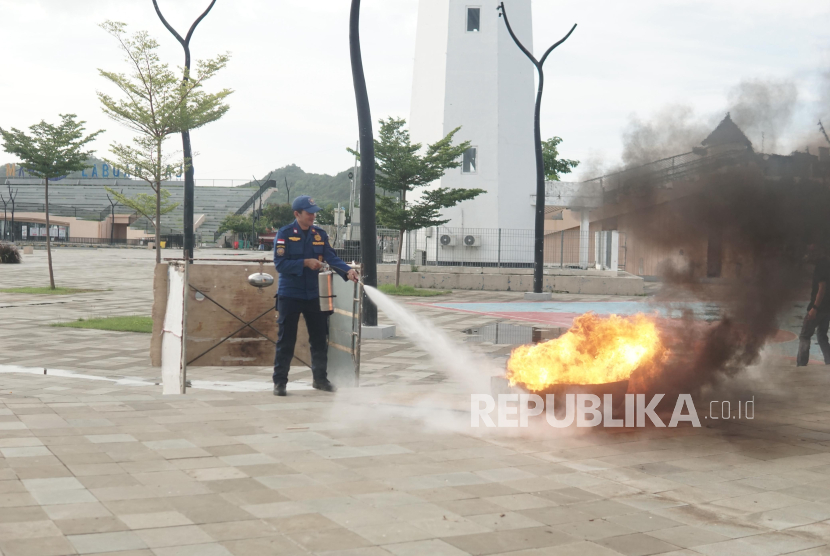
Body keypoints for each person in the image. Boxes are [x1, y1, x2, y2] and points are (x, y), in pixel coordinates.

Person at [272, 195, 359, 396]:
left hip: (315, 294)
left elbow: (330, 256)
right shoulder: (284, 234)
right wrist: (305, 262)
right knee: (286, 340)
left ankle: (320, 379)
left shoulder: (319, 234)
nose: (313, 216)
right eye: (309, 213)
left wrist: (347, 271)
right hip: (290, 294)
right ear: (297, 214)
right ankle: (280, 382)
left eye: (314, 213)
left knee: (319, 339)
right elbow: (280, 264)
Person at [797, 244, 830, 366]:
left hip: (819, 308)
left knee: (805, 335)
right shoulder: (827, 263)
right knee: (822, 336)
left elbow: (822, 289)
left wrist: (814, 308)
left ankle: (801, 366)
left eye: (812, 252)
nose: (809, 255)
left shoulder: (821, 266)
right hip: (827, 308)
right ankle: (829, 362)